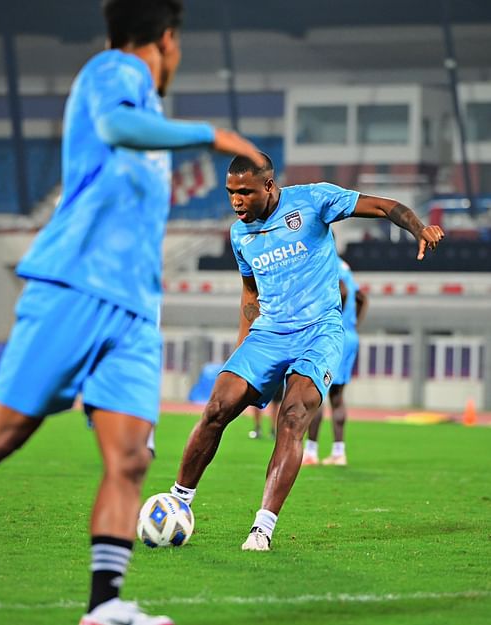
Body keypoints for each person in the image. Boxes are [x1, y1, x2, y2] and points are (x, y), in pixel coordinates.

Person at [0, 1, 264, 624]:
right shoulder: (114, 72)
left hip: (135, 312)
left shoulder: (151, 110)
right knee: (2, 434)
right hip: (75, 288)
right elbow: (114, 129)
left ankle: (104, 608)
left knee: (132, 458)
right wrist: (211, 135)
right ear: (165, 40)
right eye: (177, 46)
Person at [169, 152, 444, 551]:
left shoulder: (314, 200)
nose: (236, 201)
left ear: (269, 186)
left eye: (244, 192)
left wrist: (418, 227)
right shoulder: (239, 234)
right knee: (215, 409)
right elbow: (250, 293)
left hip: (320, 332)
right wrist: (243, 346)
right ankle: (178, 503)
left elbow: (385, 206)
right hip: (268, 334)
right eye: (231, 193)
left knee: (293, 415)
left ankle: (262, 527)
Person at [301, 258, 368, 466]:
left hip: (330, 336)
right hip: (348, 335)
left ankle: (311, 451)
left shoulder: (325, 261)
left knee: (316, 392)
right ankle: (339, 451)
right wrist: (352, 324)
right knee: (337, 396)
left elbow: (343, 290)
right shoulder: (345, 266)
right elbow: (361, 297)